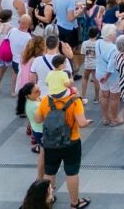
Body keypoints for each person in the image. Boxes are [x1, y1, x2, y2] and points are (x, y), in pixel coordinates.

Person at [34, 70, 92, 209]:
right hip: (71, 142)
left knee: (49, 172)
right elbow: (82, 123)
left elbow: (38, 119)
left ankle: (48, 199)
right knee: (72, 172)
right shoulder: (75, 101)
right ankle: (74, 203)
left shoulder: (46, 100)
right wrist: (88, 122)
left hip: (50, 143)